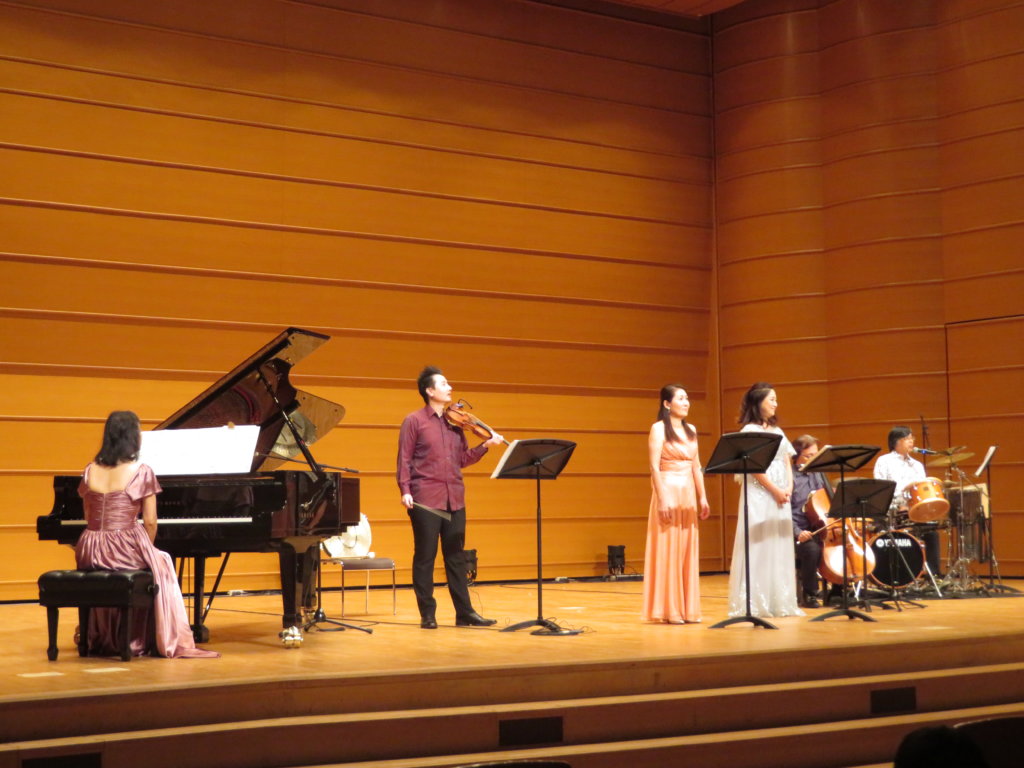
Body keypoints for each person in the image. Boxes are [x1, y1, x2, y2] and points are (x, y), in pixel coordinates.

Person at [75, 411, 218, 658]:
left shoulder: (90, 470)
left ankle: (106, 637)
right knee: (162, 563)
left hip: (90, 545)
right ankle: (146, 638)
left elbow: (89, 515)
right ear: (132, 437)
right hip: (122, 545)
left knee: (147, 564)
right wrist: (147, 551)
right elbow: (150, 521)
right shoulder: (141, 471)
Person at [397, 366, 503, 629]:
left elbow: (462, 460)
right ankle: (428, 614)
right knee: (425, 556)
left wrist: (485, 446)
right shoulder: (414, 421)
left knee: (456, 557)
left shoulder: (456, 423)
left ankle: (465, 613)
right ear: (429, 391)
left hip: (454, 497)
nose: (450, 388)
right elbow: (404, 458)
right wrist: (405, 489)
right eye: (444, 384)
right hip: (425, 498)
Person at [727, 383, 802, 618]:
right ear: (759, 402)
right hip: (760, 493)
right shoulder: (749, 430)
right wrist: (774, 490)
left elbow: (787, 460)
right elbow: (753, 467)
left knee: (779, 542)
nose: (775, 404)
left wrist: (788, 487)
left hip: (781, 492)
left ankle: (780, 601)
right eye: (771, 399)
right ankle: (757, 602)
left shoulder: (778, 430)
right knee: (761, 543)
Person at [641, 384, 710, 624]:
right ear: (667, 404)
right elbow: (654, 467)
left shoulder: (692, 430)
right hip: (668, 490)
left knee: (686, 549)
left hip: (688, 493)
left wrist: (703, 496)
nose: (686, 402)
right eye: (681, 398)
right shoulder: (658, 428)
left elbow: (696, 466)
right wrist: (662, 498)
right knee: (669, 548)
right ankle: (669, 609)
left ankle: (687, 609)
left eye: (687, 398)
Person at [873, 426, 941, 577]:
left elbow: (922, 490)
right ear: (895, 442)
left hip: (914, 510)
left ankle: (933, 575)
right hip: (893, 510)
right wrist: (901, 503)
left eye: (912, 438)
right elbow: (882, 489)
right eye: (907, 439)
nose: (911, 441)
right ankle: (904, 574)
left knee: (932, 532)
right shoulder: (884, 461)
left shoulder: (917, 465)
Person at [790, 434, 828, 608]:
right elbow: (782, 513)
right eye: (808, 456)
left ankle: (838, 591)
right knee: (812, 549)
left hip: (820, 527)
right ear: (796, 456)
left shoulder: (818, 474)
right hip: (797, 531)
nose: (813, 460)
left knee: (841, 544)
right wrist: (797, 532)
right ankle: (810, 593)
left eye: (816, 456)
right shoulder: (789, 478)